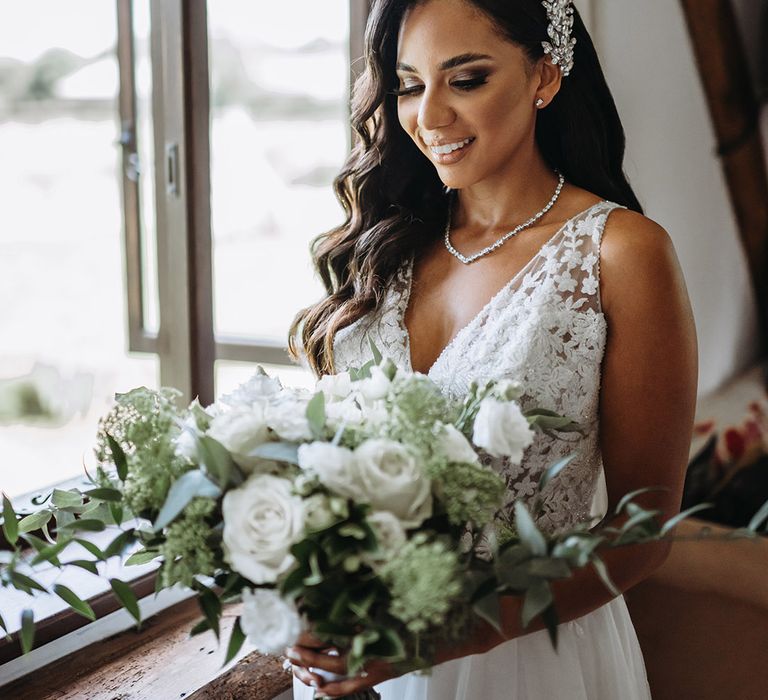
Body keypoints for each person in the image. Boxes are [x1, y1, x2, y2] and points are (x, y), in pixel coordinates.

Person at [286, 0, 698, 697]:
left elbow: (640, 533)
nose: (431, 116)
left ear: (545, 74)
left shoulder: (621, 255)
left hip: (528, 661)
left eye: (466, 79)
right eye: (408, 85)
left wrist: (442, 636)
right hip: (361, 663)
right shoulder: (383, 249)